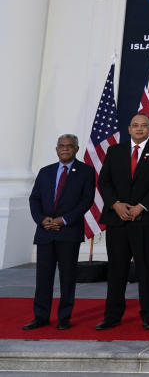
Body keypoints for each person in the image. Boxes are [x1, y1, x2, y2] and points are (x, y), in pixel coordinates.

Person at [96, 114, 149, 331]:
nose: (139, 129)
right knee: (116, 271)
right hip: (117, 219)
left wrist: (141, 207)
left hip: (145, 220)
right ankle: (112, 316)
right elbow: (104, 181)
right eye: (135, 126)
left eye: (144, 126)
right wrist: (115, 204)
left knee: (147, 270)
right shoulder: (115, 151)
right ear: (129, 129)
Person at [23, 134, 95, 331]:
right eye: (62, 146)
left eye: (69, 146)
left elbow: (86, 201)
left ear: (76, 149)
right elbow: (34, 199)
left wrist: (63, 220)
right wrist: (42, 220)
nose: (65, 149)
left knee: (67, 278)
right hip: (45, 231)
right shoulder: (45, 172)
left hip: (68, 232)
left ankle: (64, 317)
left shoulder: (86, 172)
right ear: (56, 149)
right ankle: (41, 317)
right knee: (43, 278)